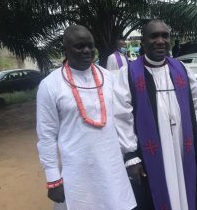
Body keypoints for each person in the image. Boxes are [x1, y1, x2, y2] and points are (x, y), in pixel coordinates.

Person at [114, 19, 197, 210]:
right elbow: (122, 116)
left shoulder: (182, 69)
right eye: (154, 36)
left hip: (184, 144)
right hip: (151, 150)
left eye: (165, 36)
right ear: (143, 41)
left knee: (187, 189)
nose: (160, 41)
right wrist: (130, 154)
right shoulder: (129, 74)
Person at [36, 25, 136, 210]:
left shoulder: (108, 78)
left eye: (90, 46)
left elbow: (122, 120)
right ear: (65, 49)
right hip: (77, 172)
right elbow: (46, 135)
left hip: (112, 168)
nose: (87, 51)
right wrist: (53, 179)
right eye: (79, 46)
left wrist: (131, 156)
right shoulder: (50, 85)